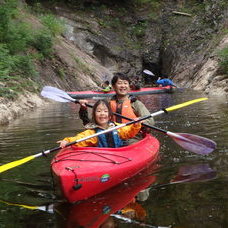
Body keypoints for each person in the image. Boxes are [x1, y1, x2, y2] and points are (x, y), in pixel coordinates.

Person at [79, 73, 155, 132]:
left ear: (129, 86)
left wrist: (141, 120)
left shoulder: (136, 103)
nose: (123, 86)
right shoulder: (106, 104)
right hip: (111, 135)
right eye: (119, 83)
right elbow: (91, 123)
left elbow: (150, 121)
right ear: (114, 86)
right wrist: (83, 109)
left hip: (132, 137)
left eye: (125, 83)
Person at [57, 99, 142, 148]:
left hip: (119, 155)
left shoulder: (117, 127)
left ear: (109, 116)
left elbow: (129, 132)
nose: (102, 113)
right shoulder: (92, 133)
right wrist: (67, 141)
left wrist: (136, 124)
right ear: (94, 115)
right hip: (103, 157)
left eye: (105, 111)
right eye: (98, 111)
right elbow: (79, 139)